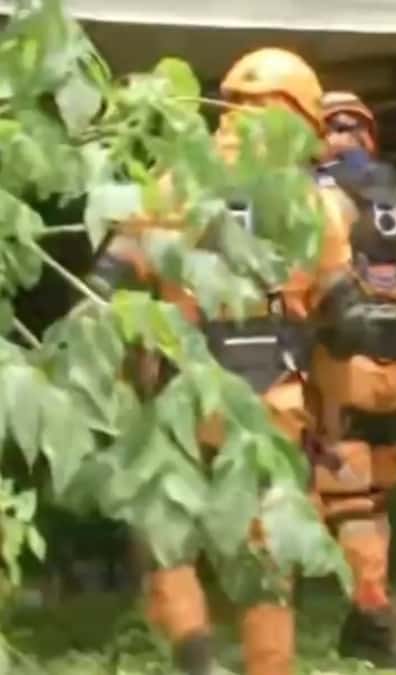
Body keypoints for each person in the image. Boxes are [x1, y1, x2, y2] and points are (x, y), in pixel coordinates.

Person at [87, 48, 354, 675]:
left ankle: (198, 659)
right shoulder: (315, 204)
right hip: (274, 399)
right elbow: (350, 315)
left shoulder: (175, 182)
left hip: (183, 392)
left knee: (170, 538)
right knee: (266, 552)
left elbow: (106, 283)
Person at [310, 91, 396, 669]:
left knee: (345, 497)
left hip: (336, 368)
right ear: (369, 132)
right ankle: (363, 615)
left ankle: (370, 615)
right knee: (372, 495)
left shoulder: (308, 198)